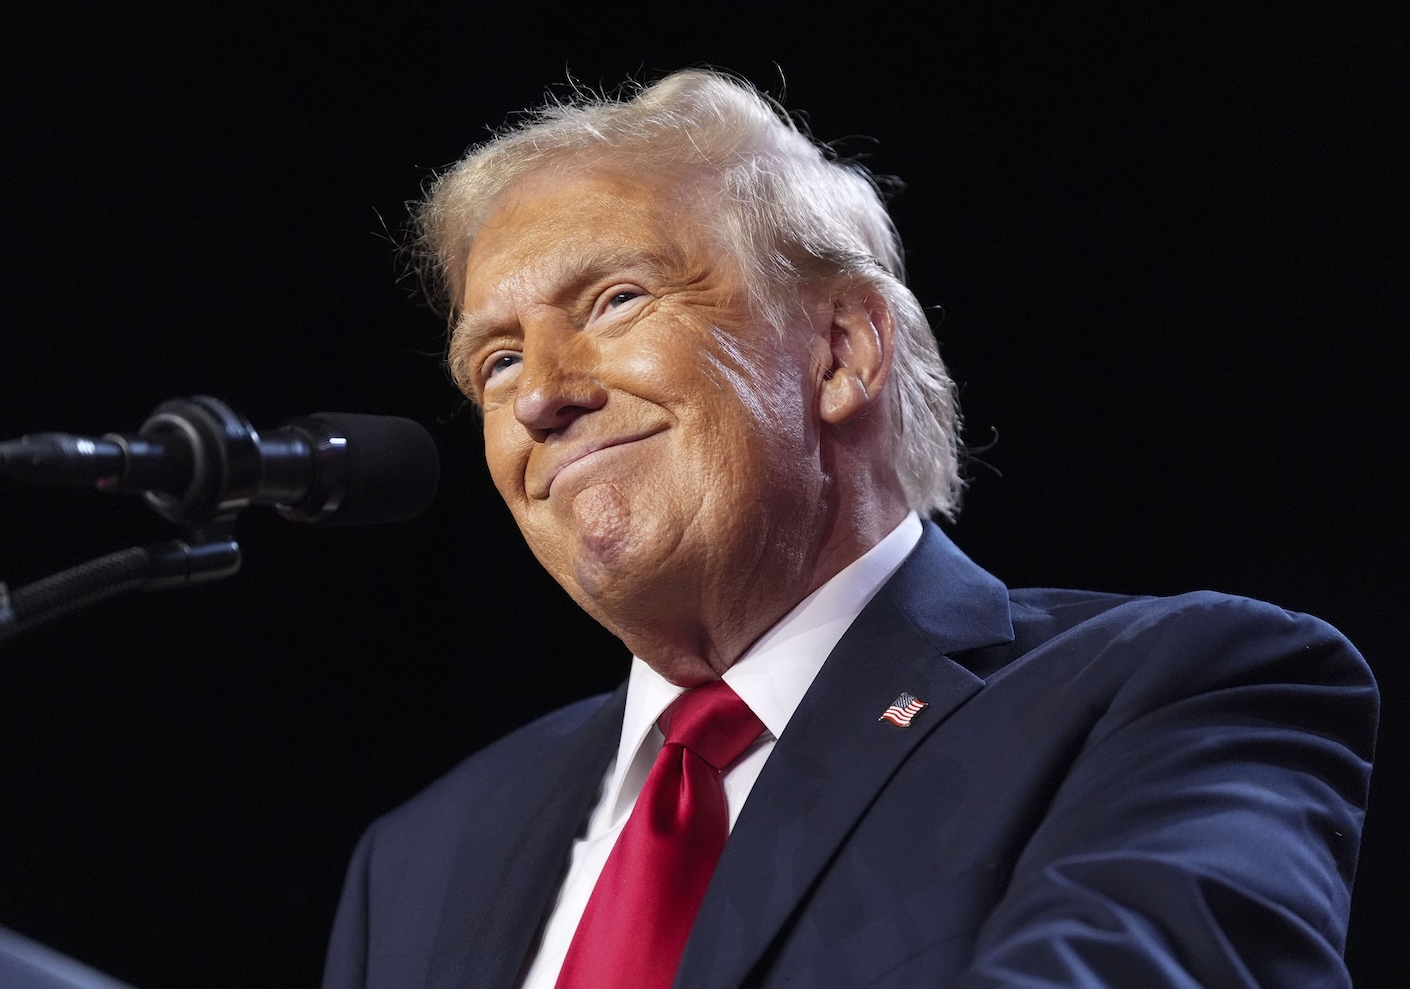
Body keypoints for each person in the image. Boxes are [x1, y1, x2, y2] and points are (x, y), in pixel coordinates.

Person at [322, 69, 1377, 989]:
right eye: (496, 361)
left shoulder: (1172, 691)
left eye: (615, 300)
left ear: (842, 353)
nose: (541, 395)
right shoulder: (418, 858)